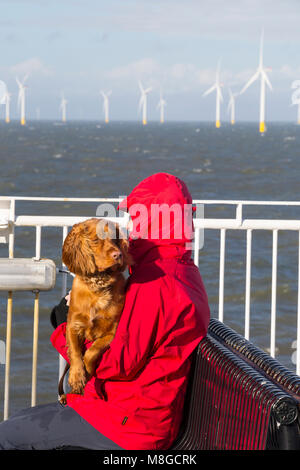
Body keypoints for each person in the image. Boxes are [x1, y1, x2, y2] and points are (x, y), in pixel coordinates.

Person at [0, 172, 210, 450]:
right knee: (20, 419)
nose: (130, 228)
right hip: (133, 412)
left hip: (128, 426)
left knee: (7, 435)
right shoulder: (180, 271)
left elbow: (116, 362)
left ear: (153, 220)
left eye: (136, 218)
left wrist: (65, 326)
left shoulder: (158, 284)